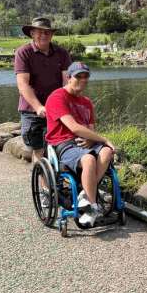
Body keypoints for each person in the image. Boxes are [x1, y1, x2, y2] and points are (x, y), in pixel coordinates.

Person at [44, 62, 115, 227]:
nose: (82, 80)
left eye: (85, 77)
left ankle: (85, 191)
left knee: (107, 152)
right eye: (78, 77)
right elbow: (74, 127)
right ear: (68, 77)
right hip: (64, 143)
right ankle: (93, 207)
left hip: (85, 142)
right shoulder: (57, 97)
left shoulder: (87, 102)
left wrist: (94, 140)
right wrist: (103, 138)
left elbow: (90, 129)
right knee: (89, 159)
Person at [14, 17, 72, 166]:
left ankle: (59, 183)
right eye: (39, 32)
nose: (43, 35)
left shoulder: (62, 53)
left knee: (61, 146)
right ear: (32, 33)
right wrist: (38, 107)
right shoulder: (23, 53)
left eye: (47, 32)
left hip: (56, 108)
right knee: (39, 150)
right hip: (32, 110)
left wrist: (66, 104)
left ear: (51, 35)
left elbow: (67, 82)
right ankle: (45, 187)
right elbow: (23, 85)